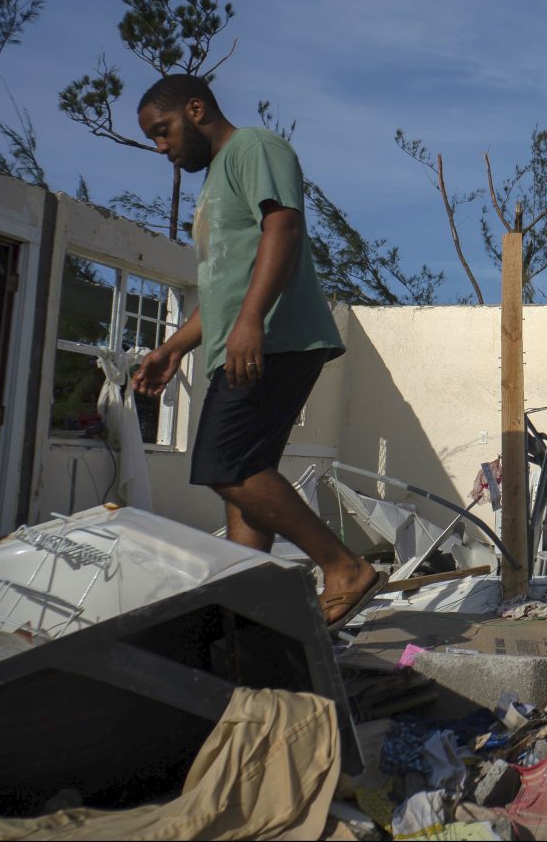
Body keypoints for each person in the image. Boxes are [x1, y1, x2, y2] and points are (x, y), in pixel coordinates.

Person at [129, 73, 385, 628]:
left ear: (196, 109)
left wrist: (251, 322)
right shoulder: (215, 181)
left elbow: (284, 226)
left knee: (227, 463)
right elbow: (225, 286)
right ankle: (247, 608)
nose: (160, 147)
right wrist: (173, 346)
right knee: (247, 482)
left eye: (163, 131)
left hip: (276, 339)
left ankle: (343, 568)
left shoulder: (255, 148)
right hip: (243, 342)